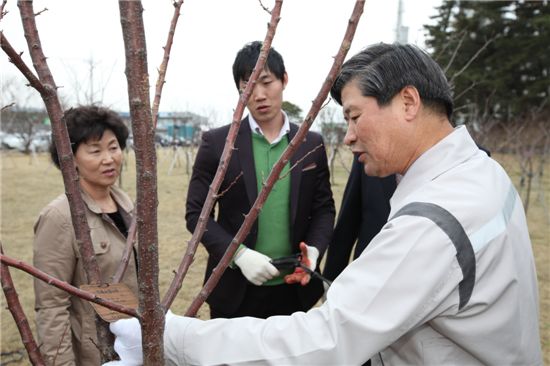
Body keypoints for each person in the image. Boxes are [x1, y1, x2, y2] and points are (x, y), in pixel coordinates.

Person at [108, 43, 542, 365]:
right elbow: (197, 212)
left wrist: (173, 338)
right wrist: (238, 255)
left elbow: (327, 337)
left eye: (354, 116)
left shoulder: (433, 221)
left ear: (408, 102)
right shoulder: (481, 172)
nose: (348, 136)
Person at [185, 41, 335, 319]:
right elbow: (196, 215)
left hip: (293, 290)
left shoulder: (310, 143)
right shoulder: (218, 143)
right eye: (248, 86)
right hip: (234, 290)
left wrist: (313, 252)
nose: (259, 95)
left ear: (284, 80)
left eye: (266, 82)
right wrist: (238, 255)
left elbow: (323, 208)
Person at [33, 106, 139, 366]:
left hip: (134, 346)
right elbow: (52, 306)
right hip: (93, 353)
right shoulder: (59, 217)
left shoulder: (125, 203)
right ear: (70, 158)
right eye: (95, 150)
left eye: (113, 147)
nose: (109, 159)